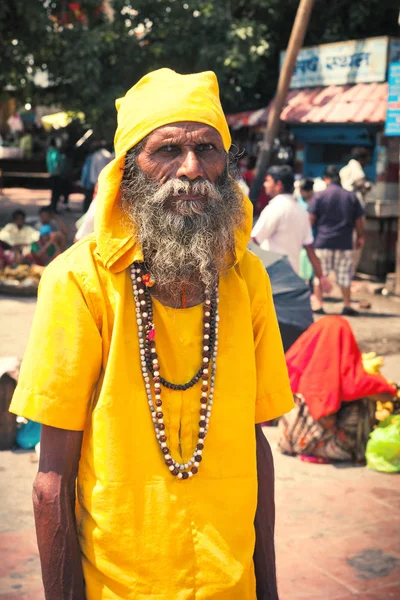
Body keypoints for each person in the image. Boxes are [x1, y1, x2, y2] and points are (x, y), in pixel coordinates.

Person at [10, 68, 294, 600]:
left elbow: (255, 443)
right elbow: (52, 484)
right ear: (129, 170)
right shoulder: (79, 281)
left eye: (208, 148)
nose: (191, 169)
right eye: (168, 150)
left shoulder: (246, 277)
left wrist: (268, 587)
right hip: (117, 587)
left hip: (231, 584)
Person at [279, 316, 396, 463]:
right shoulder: (344, 374)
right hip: (328, 447)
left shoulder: (295, 363)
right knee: (364, 401)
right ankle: (348, 448)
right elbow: (384, 395)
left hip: (290, 442)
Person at [251, 165, 330, 292]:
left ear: (278, 185)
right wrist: (321, 277)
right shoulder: (301, 210)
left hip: (272, 275)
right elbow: (310, 248)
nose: (265, 185)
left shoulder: (275, 207)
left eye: (268, 181)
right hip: (292, 276)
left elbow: (254, 241)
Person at [308, 165, 365, 316]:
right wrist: (361, 236)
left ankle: (319, 304)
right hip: (345, 243)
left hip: (323, 242)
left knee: (320, 274)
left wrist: (307, 238)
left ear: (326, 178)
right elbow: (359, 220)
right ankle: (347, 305)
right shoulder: (351, 196)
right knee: (345, 275)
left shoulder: (320, 195)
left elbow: (311, 219)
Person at [81, 140, 113, 213]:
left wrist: (93, 181)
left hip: (94, 181)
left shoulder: (95, 155)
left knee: (90, 200)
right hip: (104, 181)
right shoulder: (108, 155)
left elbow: (92, 169)